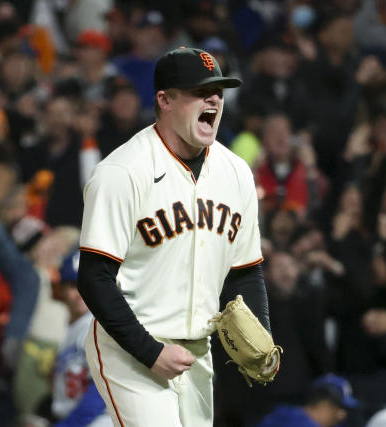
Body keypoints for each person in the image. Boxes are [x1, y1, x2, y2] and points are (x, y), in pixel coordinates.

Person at [77, 47, 271, 426]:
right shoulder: (122, 172)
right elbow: (94, 278)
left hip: (198, 351)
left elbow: (244, 271)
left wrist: (262, 335)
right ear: (164, 100)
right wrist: (150, 352)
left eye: (219, 90)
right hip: (129, 349)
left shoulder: (236, 173)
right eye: (200, 91)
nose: (214, 98)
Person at [51, 249, 111, 426]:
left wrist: (71, 424)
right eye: (72, 286)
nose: (80, 293)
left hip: (100, 419)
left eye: (86, 284)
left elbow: (104, 386)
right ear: (62, 289)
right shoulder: (74, 327)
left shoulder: (97, 324)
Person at [256, 373, 358, 427]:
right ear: (322, 406)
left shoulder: (284, 413)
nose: (342, 414)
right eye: (338, 408)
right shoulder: (298, 423)